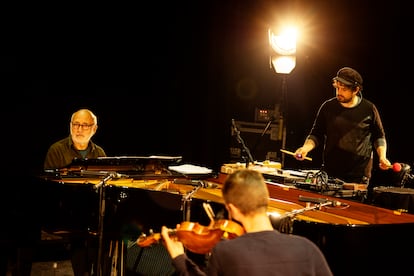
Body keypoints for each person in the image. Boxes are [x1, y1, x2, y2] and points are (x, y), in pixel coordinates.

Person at [160, 169, 333, 276]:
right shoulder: (307, 249)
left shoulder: (226, 252)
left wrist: (179, 258)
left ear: (231, 208)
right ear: (266, 200)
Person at [294, 67, 391, 185]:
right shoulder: (328, 107)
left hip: (359, 175)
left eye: (344, 89)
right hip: (330, 172)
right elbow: (316, 134)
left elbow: (379, 136)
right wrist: (305, 149)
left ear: (356, 90)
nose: (339, 92)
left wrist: (382, 157)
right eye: (337, 88)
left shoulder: (369, 109)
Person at [43, 108, 106, 276]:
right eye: (76, 124)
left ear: (94, 129)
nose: (79, 129)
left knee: (105, 233)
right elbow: (49, 188)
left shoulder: (99, 153)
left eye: (84, 125)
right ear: (70, 125)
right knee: (79, 235)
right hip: (64, 211)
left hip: (91, 213)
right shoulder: (56, 150)